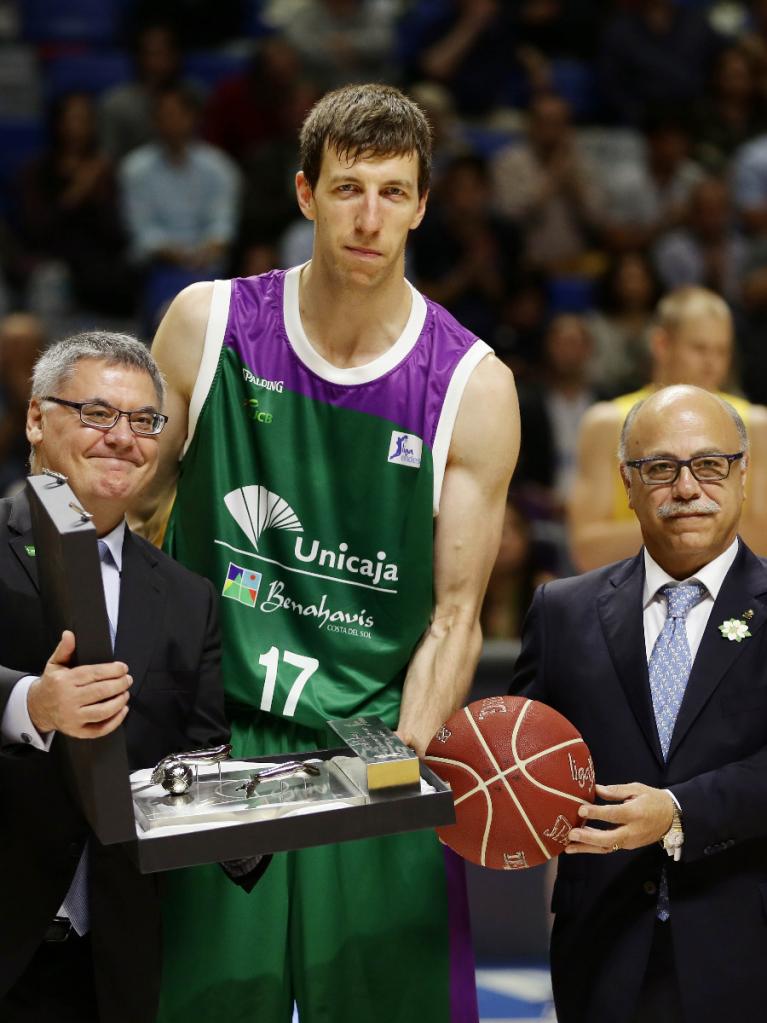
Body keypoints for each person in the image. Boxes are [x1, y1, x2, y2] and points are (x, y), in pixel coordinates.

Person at [133, 82, 519, 1022]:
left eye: (393, 193)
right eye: (348, 188)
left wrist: (394, 772)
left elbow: (456, 616)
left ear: (423, 206)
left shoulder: (471, 385)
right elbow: (134, 514)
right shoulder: (207, 322)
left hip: (373, 746)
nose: (369, 217)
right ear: (306, 193)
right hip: (212, 745)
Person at [512, 384, 767, 1022]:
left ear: (743, 475)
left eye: (709, 465)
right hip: (602, 952)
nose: (687, 488)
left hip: (747, 950)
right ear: (627, 483)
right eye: (660, 469)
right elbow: (520, 757)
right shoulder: (561, 611)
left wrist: (677, 811)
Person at [0, 331, 232, 1023]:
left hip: (110, 962)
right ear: (38, 419)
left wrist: (269, 814)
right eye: (97, 413)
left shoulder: (190, 598)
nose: (122, 437)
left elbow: (201, 753)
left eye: (143, 421)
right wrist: (30, 703)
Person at [568, 286, 767, 570]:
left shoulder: (756, 425)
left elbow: (763, 539)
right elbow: (587, 550)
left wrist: (665, 522)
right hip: (631, 598)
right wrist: (695, 527)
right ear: (661, 344)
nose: (712, 363)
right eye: (699, 348)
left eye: (721, 350)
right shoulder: (606, 422)